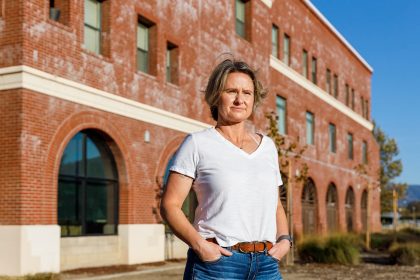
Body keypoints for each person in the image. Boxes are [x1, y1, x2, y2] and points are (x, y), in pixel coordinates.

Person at [160, 58, 292, 280]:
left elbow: (276, 204)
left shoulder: (268, 147)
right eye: (231, 91)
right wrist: (200, 246)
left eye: (247, 93)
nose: (240, 99)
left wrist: (285, 241)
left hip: (266, 264)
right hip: (217, 265)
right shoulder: (197, 143)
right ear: (216, 96)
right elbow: (170, 205)